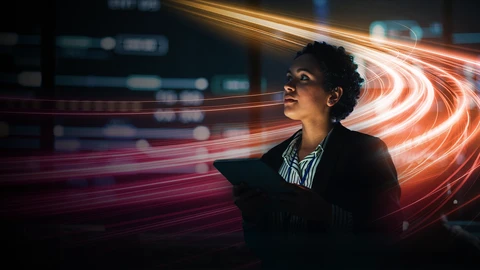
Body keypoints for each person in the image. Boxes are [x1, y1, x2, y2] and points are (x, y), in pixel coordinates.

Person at [233, 41, 405, 269]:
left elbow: (390, 228)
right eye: (288, 77)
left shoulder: (366, 152)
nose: (288, 86)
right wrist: (252, 216)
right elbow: (261, 248)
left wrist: (327, 214)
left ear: (333, 96)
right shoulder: (272, 159)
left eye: (303, 78)